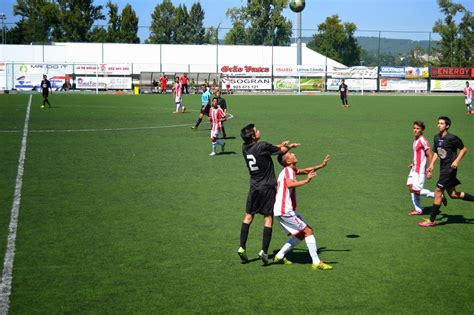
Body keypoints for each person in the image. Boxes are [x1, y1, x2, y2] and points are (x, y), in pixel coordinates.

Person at [238, 124, 299, 265]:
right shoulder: (263, 146)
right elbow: (281, 150)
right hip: (267, 188)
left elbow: (267, 150)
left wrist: (279, 145)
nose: (259, 131)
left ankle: (242, 247)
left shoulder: (245, 148)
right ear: (253, 136)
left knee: (248, 216)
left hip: (254, 187)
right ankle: (264, 252)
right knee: (268, 218)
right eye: (256, 130)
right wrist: (287, 147)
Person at [273, 151, 333, 270]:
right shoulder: (288, 171)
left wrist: (321, 165)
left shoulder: (290, 170)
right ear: (288, 161)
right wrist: (306, 181)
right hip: (285, 210)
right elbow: (290, 184)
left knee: (301, 234)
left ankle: (279, 256)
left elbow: (305, 170)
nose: (294, 153)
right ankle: (316, 262)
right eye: (291, 154)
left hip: (284, 209)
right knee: (308, 231)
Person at [419, 116, 474, 227]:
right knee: (453, 194)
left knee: (438, 191)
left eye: (442, 123)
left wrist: (457, 161)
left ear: (447, 126)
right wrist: (432, 165)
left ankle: (431, 220)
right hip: (443, 169)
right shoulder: (436, 138)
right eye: (438, 123)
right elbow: (436, 153)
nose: (439, 125)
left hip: (450, 170)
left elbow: (464, 149)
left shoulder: (452, 138)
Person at [406, 121, 445, 215]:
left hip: (420, 170)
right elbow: (418, 154)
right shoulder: (416, 139)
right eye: (414, 128)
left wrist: (430, 169)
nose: (415, 130)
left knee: (417, 190)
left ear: (422, 130)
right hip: (414, 168)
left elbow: (429, 154)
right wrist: (413, 163)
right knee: (410, 186)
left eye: (418, 128)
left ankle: (438, 195)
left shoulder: (423, 140)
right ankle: (418, 209)